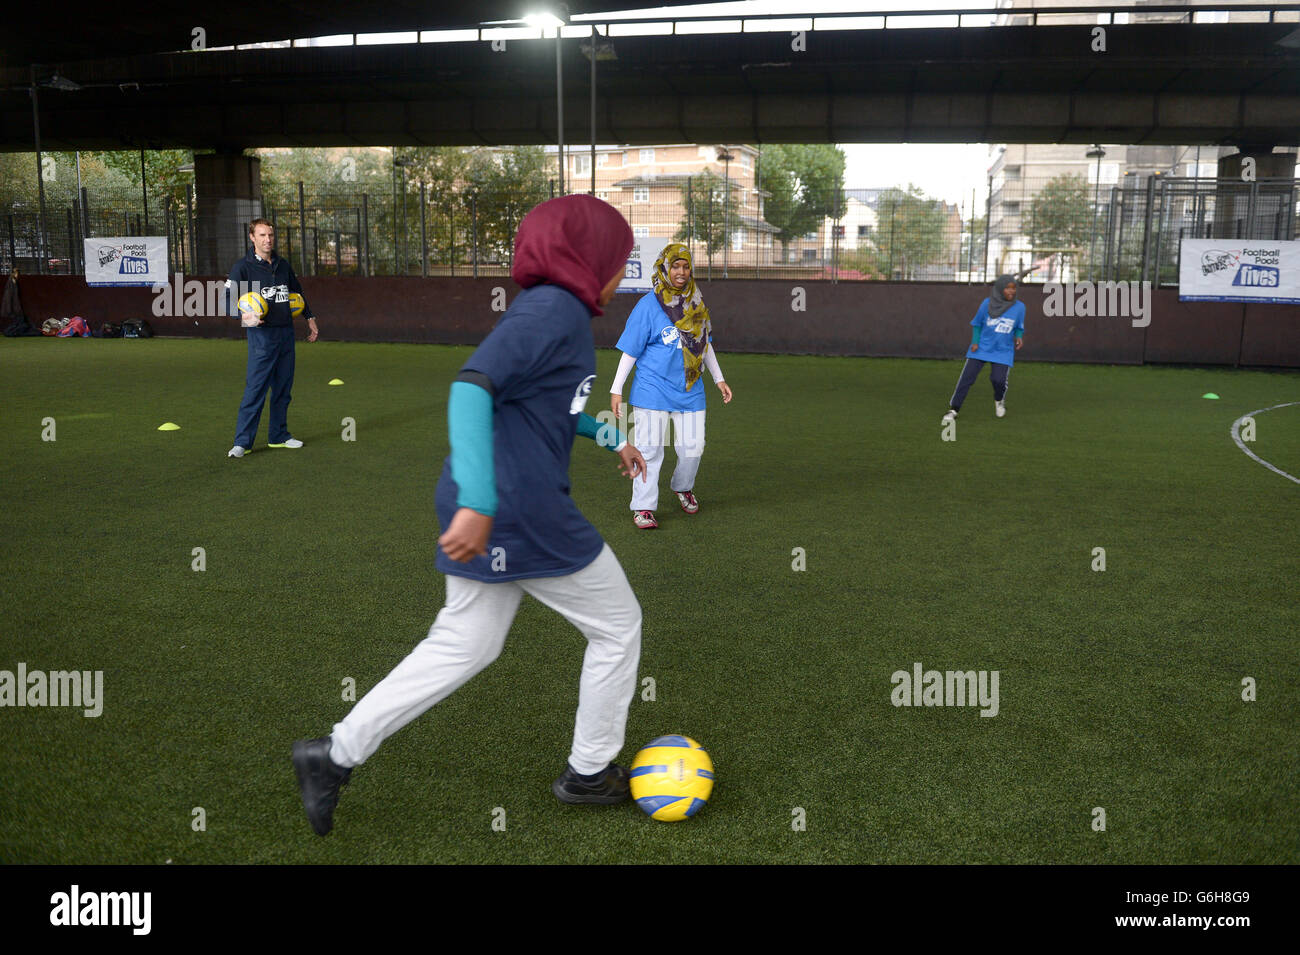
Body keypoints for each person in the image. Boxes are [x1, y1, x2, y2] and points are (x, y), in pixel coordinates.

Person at [292, 195, 650, 836]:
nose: (623, 271)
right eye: (620, 258)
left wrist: (606, 438)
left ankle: (333, 754)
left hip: (499, 506)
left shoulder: (554, 312)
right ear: (588, 257)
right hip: (519, 509)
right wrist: (481, 503)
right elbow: (470, 387)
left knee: (465, 643)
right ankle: (589, 773)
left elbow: (550, 409)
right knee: (619, 626)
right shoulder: (554, 310)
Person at [609, 242, 732, 530]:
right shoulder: (648, 305)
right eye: (675, 266)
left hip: (690, 388)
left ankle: (682, 486)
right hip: (652, 388)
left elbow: (705, 345)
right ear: (665, 267)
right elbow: (631, 350)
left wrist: (719, 378)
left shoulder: (696, 302)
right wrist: (617, 388)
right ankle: (643, 508)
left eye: (685, 266)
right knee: (649, 450)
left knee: (693, 447)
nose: (681, 271)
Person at [226, 219, 319, 458]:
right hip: (262, 337)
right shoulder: (242, 267)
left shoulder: (282, 264)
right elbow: (226, 300)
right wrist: (245, 315)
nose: (268, 239)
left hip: (286, 334)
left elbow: (297, 293)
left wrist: (310, 318)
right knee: (256, 389)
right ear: (252, 237)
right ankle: (242, 443)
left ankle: (279, 436)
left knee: (283, 389)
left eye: (271, 235)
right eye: (262, 235)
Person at [942, 274, 1025, 422]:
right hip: (981, 347)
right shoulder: (986, 303)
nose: (1011, 292)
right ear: (1000, 289)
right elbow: (977, 323)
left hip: (1003, 350)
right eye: (1007, 288)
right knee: (966, 379)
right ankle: (954, 409)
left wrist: (1019, 336)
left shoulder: (1020, 307)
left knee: (998, 380)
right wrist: (975, 342)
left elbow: (1019, 327)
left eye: (1013, 289)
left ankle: (999, 400)